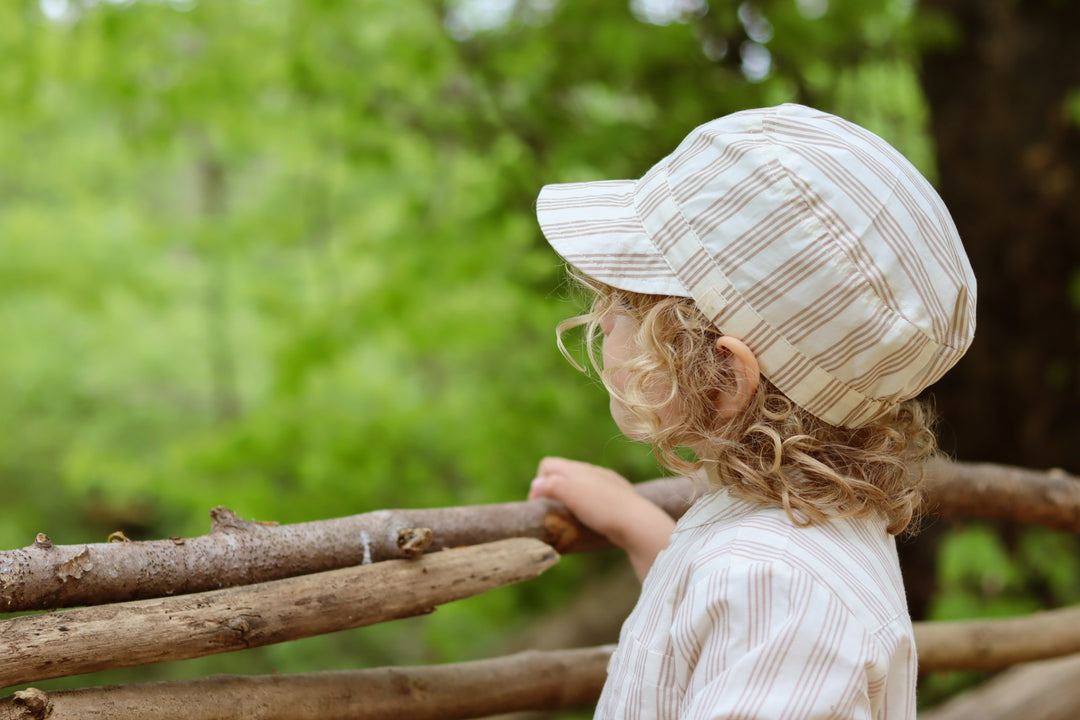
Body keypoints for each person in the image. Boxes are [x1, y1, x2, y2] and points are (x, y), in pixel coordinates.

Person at [528, 104, 976, 719]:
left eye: (628, 304)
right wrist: (639, 527)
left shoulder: (787, 595)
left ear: (726, 378)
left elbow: (765, 598)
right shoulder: (788, 535)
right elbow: (718, 622)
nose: (603, 318)